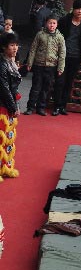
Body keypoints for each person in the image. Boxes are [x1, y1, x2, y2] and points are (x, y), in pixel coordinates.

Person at [53, 0, 81, 116]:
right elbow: (56, 35)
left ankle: (63, 106)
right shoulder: (65, 20)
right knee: (60, 81)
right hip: (63, 56)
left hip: (76, 57)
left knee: (69, 83)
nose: (80, 12)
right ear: (73, 9)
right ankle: (56, 106)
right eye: (78, 9)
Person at [25, 15, 66, 116]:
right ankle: (30, 107)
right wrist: (30, 63)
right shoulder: (40, 34)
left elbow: (62, 53)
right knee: (35, 87)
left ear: (57, 24)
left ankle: (41, 108)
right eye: (50, 23)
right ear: (46, 23)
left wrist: (61, 68)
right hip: (39, 64)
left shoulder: (60, 37)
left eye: (54, 23)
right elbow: (33, 49)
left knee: (45, 88)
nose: (52, 25)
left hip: (51, 66)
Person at [0, 32, 21, 180]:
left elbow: (14, 89)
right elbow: (4, 88)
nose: (15, 48)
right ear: (4, 47)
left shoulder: (11, 62)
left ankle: (5, 167)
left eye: (16, 45)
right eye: (12, 45)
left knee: (8, 138)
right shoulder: (2, 65)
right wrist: (13, 107)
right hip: (2, 104)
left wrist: (15, 106)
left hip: (8, 104)